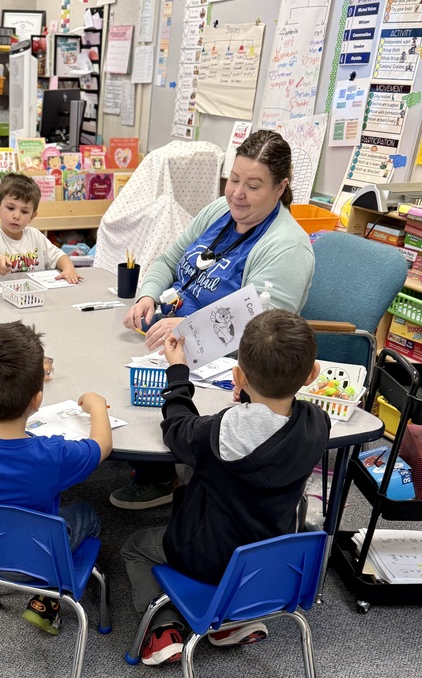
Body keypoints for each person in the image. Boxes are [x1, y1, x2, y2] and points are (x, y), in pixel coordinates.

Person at [112, 129, 315, 510]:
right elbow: (168, 258)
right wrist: (148, 295)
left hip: (227, 364)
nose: (237, 194)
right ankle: (151, 463)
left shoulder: (287, 247)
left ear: (280, 188)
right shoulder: (219, 212)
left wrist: (188, 327)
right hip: (169, 337)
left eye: (253, 186)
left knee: (138, 397)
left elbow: (264, 333)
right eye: (233, 179)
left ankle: (163, 473)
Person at [122, 308, 331, 665]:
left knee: (134, 548)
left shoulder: (221, 432)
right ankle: (233, 622)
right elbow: (271, 430)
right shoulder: (318, 423)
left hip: (209, 557)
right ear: (313, 374)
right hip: (271, 563)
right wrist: (251, 401)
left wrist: (178, 371)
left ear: (238, 376)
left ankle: (163, 627)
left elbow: (177, 428)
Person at [0, 321, 111, 635]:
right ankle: (48, 594)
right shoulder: (52, 456)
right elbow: (102, 445)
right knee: (88, 514)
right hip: (40, 559)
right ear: (37, 400)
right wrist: (96, 405)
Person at [0, 172, 82, 283]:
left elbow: (58, 255)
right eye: (10, 208)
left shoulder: (35, 235)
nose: (16, 216)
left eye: (24, 211)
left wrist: (69, 269)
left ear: (32, 216)